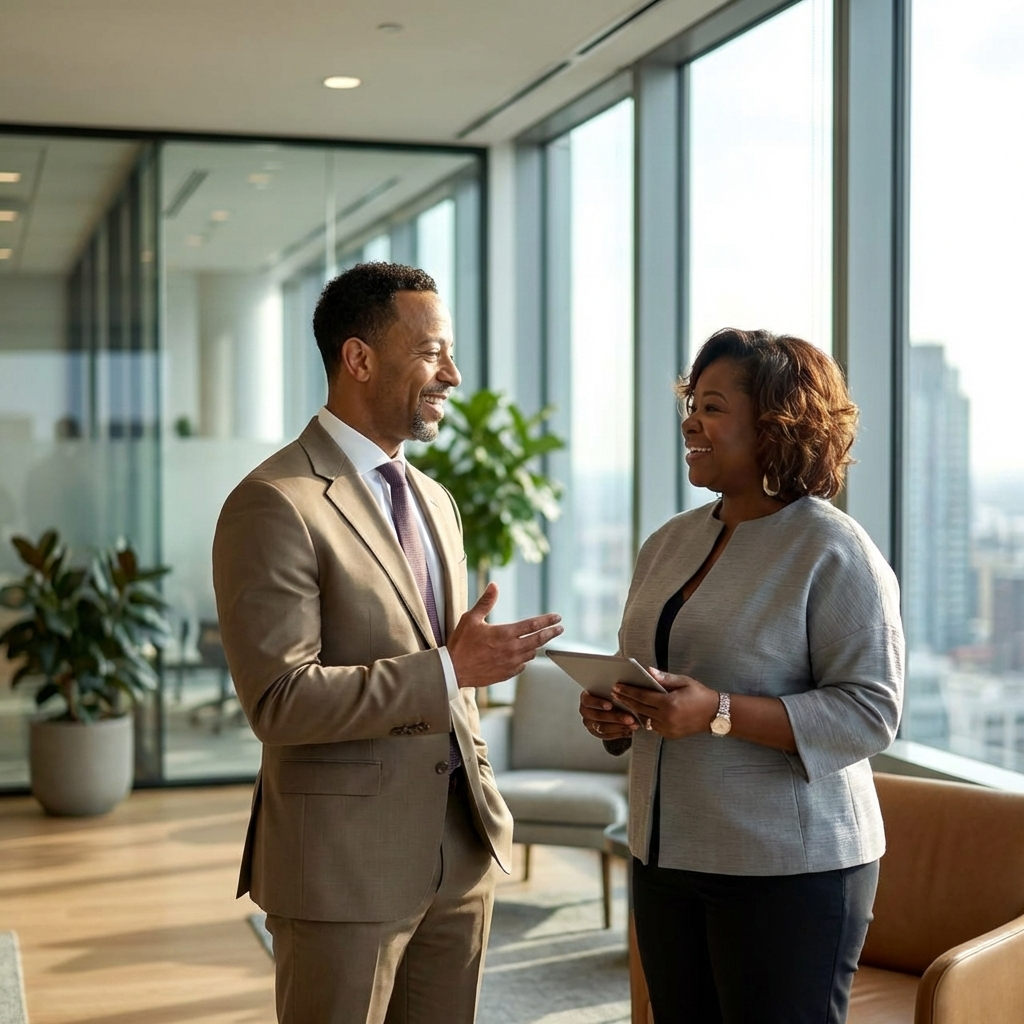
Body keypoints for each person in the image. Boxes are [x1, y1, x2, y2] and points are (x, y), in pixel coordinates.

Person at [213, 262, 563, 1024]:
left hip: (461, 852)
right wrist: (448, 669)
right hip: (343, 868)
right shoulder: (274, 503)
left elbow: (449, 672)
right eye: (433, 352)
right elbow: (278, 701)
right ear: (359, 358)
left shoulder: (434, 500)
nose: (454, 374)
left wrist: (468, 668)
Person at [579, 329, 904, 1024]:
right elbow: (654, 681)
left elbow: (871, 712)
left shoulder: (833, 549)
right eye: (691, 402)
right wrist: (617, 715)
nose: (691, 420)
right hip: (665, 857)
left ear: (777, 423)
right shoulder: (668, 542)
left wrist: (718, 711)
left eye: (714, 405)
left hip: (790, 869)